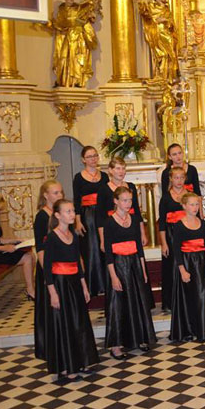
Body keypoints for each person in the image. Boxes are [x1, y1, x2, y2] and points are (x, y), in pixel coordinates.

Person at [44, 199, 99, 380]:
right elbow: (47, 269)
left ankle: (81, 361)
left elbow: (78, 262)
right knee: (65, 324)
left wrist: (84, 286)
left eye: (73, 211)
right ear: (57, 215)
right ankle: (66, 366)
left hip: (75, 283)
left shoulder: (73, 235)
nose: (72, 214)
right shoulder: (52, 238)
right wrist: (53, 293)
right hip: (60, 284)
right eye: (68, 211)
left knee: (79, 322)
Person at [103, 187, 156, 358]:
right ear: (116, 201)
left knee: (138, 302)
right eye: (124, 200)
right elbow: (108, 252)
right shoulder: (109, 222)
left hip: (134, 265)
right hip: (118, 265)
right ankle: (116, 346)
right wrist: (113, 276)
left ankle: (139, 338)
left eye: (130, 200)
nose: (128, 203)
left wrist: (143, 269)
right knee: (118, 305)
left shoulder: (133, 219)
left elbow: (139, 247)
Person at [170, 193, 205, 342]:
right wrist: (182, 270)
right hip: (187, 263)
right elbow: (176, 250)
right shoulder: (179, 225)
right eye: (192, 204)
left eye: (197, 204)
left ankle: (203, 329)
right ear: (184, 206)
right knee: (187, 297)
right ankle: (189, 329)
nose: (195, 207)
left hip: (201, 263)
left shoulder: (202, 224)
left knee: (202, 295)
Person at [43, 0, 99, 88]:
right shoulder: (61, 10)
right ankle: (63, 80)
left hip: (78, 37)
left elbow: (87, 16)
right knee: (63, 57)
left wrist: (90, 9)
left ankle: (77, 81)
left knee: (77, 58)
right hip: (67, 35)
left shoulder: (78, 8)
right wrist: (50, 24)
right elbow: (59, 24)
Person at [72, 145, 108, 296]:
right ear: (83, 159)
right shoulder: (79, 177)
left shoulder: (104, 176)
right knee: (91, 249)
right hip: (87, 216)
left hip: (103, 214)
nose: (93, 159)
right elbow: (77, 200)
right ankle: (93, 286)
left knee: (104, 248)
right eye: (89, 156)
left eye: (95, 155)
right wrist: (78, 221)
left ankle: (106, 284)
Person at [33, 181, 63, 360]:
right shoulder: (42, 217)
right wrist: (48, 274)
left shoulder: (60, 214)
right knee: (50, 309)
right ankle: (51, 348)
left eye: (61, 192)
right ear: (46, 195)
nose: (59, 195)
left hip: (63, 267)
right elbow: (41, 249)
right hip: (49, 269)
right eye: (55, 193)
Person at [97, 157, 147, 251]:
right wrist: (102, 240)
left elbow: (137, 211)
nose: (121, 171)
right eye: (118, 168)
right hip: (113, 227)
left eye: (123, 168)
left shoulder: (131, 186)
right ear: (110, 170)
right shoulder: (103, 189)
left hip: (131, 225)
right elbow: (100, 217)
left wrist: (143, 233)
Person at [158, 166, 189, 311]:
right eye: (176, 177)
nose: (179, 180)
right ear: (171, 179)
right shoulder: (165, 197)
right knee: (172, 267)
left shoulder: (189, 195)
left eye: (182, 177)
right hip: (171, 235)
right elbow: (162, 223)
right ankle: (171, 301)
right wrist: (164, 243)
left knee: (187, 264)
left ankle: (187, 298)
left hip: (186, 234)